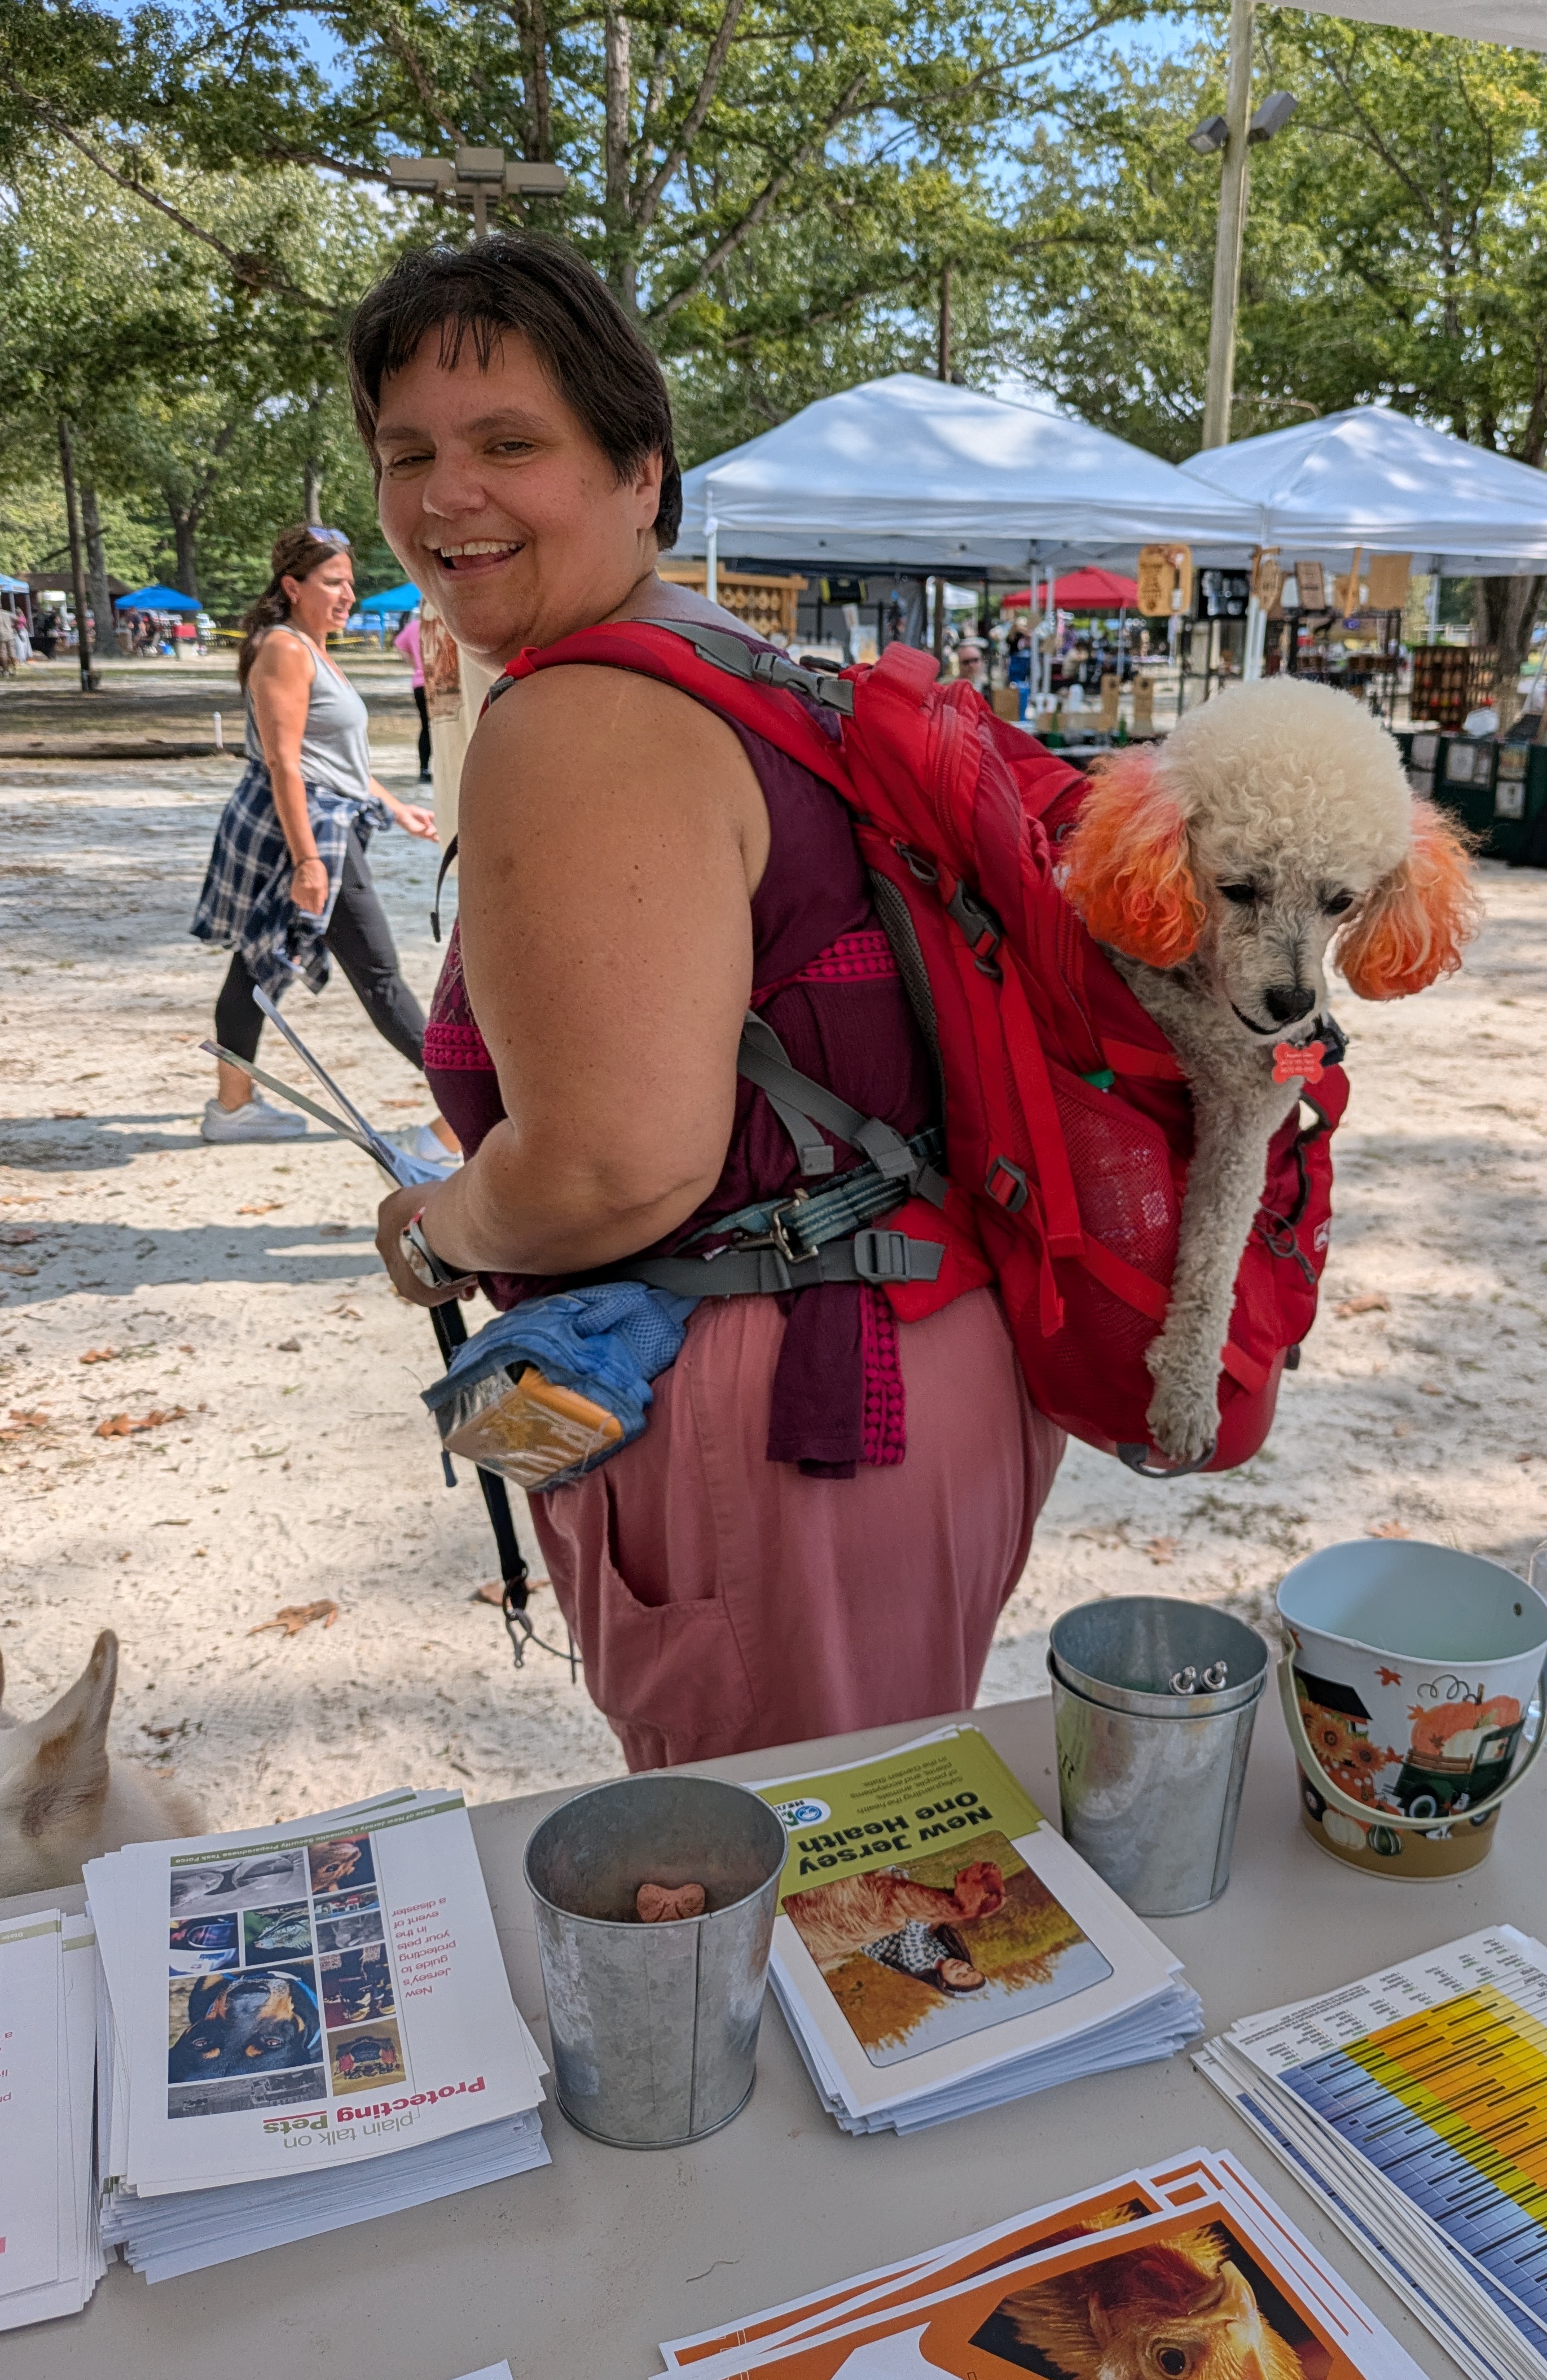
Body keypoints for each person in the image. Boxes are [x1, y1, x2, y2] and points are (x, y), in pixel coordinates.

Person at [355, 234, 1064, 1771]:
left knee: (794, 1908)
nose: (441, 497)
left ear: (639, 473)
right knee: (871, 1847)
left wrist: (436, 1229)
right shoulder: (746, 664)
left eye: (507, 445)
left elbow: (617, 1166)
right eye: (407, 455)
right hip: (919, 1359)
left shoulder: (579, 721)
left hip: (789, 1415)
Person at [191, 521, 458, 1157]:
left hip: (326, 820)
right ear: (292, 585)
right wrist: (307, 860)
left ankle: (232, 1106)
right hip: (304, 831)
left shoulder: (313, 646)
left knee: (255, 964)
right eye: (333, 582)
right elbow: (286, 765)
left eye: (349, 582)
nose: (348, 594)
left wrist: (395, 808)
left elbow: (332, 758)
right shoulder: (285, 649)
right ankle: (467, 1115)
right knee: (381, 974)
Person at [393, 607, 430, 782]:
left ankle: (424, 770)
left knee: (426, 727)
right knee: (445, 728)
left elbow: (399, 644)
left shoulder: (415, 626)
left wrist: (416, 665)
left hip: (420, 683)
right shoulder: (447, 624)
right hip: (443, 684)